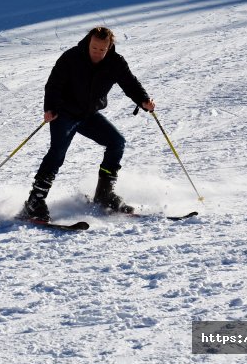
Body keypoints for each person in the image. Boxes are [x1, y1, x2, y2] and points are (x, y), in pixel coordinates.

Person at [20, 26, 155, 222]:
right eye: (95, 48)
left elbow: (130, 83)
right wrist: (49, 108)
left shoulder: (115, 62)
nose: (98, 53)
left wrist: (143, 100)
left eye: (103, 49)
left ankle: (104, 195)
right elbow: (53, 84)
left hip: (88, 115)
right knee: (58, 152)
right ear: (88, 42)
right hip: (64, 113)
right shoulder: (71, 57)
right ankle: (34, 202)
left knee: (116, 142)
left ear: (109, 46)